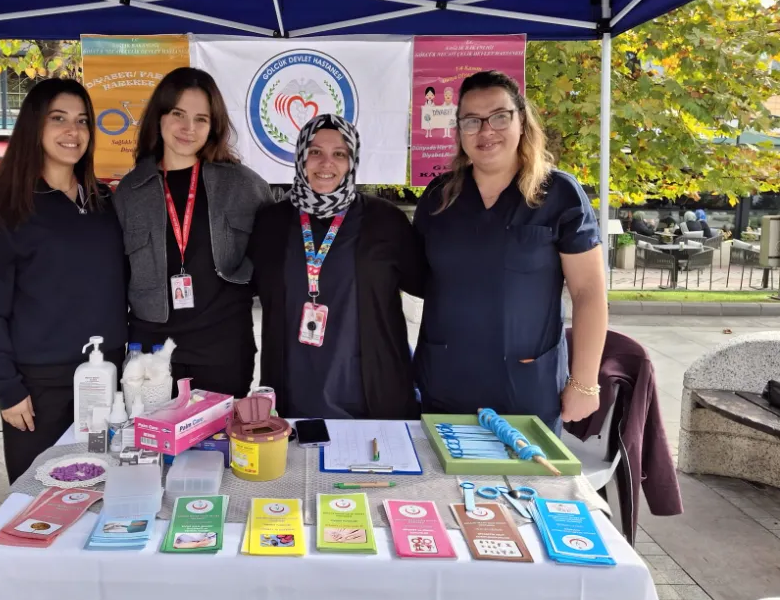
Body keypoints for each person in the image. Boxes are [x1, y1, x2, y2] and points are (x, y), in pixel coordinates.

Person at [412, 70, 608, 433]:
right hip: (444, 383)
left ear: (522, 119)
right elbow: (416, 275)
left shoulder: (560, 194)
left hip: (526, 388)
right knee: (442, 487)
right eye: (472, 121)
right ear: (458, 131)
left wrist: (585, 383)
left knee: (525, 488)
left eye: (500, 117)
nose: (486, 131)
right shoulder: (439, 196)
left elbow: (589, 293)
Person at [0, 78, 128, 484]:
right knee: (41, 500)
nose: (73, 132)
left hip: (109, 380)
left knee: (104, 491)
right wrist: (7, 388)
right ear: (34, 126)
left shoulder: (103, 204)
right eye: (59, 119)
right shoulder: (3, 211)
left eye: (83, 121)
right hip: (39, 388)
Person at [249, 114, 423, 420]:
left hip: (373, 395)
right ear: (301, 157)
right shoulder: (271, 223)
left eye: (339, 154)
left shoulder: (387, 222)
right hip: (292, 394)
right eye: (315, 152)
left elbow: (426, 284)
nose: (326, 163)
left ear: (352, 161)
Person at [113, 67, 273, 398]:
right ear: (159, 118)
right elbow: (115, 278)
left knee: (219, 450)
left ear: (213, 126)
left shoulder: (244, 186)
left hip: (223, 351)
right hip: (150, 354)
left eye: (201, 118)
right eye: (178, 114)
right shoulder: (130, 191)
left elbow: (271, 262)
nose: (189, 128)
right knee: (152, 449)